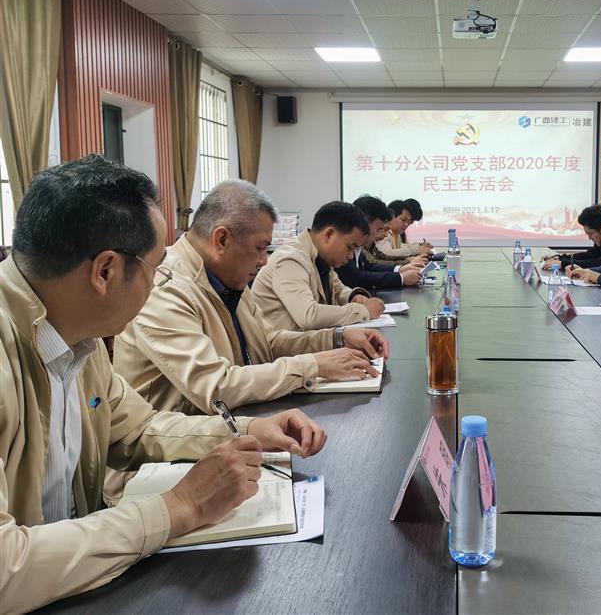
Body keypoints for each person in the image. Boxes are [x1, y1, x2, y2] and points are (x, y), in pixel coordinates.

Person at [1, 156, 327, 613]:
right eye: (155, 267)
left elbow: (137, 430)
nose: (157, 283)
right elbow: (6, 568)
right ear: (105, 271)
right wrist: (179, 507)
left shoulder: (76, 336)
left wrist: (249, 430)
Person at [113, 180, 388, 420]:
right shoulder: (167, 288)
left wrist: (337, 338)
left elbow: (268, 343)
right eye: (259, 248)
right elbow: (216, 387)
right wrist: (312, 365)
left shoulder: (228, 277)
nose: (264, 260)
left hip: (235, 424)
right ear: (222, 239)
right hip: (181, 448)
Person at [253, 201, 386, 330]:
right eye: (350, 247)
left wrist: (354, 296)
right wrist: (363, 311)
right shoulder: (290, 258)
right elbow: (309, 315)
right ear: (329, 235)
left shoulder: (322, 258)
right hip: (281, 344)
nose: (351, 256)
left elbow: (339, 290)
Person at [336, 196, 422, 292]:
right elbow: (355, 278)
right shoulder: (344, 246)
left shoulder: (358, 245)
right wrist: (401, 278)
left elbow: (369, 267)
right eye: (379, 229)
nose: (380, 235)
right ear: (363, 224)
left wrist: (400, 269)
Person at [541, 204, 601, 270]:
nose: (589, 238)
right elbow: (589, 255)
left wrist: (563, 264)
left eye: (590, 234)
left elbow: (599, 263)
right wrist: (560, 258)